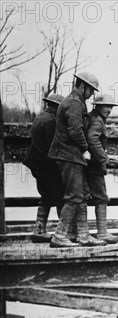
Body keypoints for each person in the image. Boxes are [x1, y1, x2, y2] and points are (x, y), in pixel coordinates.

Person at [48, 72, 105, 248]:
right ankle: (59, 235)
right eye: (91, 90)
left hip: (72, 156)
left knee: (82, 194)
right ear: (83, 86)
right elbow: (74, 131)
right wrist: (85, 149)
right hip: (69, 155)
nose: (92, 94)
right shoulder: (74, 103)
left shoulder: (76, 101)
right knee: (74, 195)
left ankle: (83, 235)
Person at [23, 93, 65, 243]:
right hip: (47, 165)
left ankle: (39, 229)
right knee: (61, 196)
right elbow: (54, 146)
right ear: (57, 107)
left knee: (46, 197)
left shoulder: (40, 117)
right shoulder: (52, 121)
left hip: (37, 164)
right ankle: (63, 232)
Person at [85, 94, 118, 244]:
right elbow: (92, 139)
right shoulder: (97, 120)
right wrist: (102, 157)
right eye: (106, 106)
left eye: (111, 107)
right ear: (98, 106)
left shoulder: (92, 117)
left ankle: (77, 232)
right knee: (101, 198)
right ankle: (102, 233)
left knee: (82, 197)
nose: (109, 109)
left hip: (87, 164)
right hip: (93, 166)